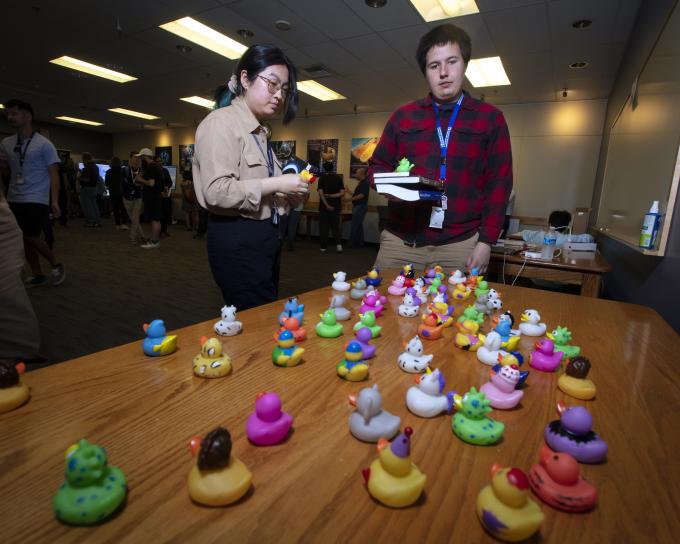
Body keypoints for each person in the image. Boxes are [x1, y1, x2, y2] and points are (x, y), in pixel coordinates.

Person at [368, 24, 512, 273]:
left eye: (452, 62)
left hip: (460, 245)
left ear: (464, 64)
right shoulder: (403, 117)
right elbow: (376, 167)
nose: (444, 72)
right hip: (400, 242)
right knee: (380, 306)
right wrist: (390, 186)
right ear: (425, 72)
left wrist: (486, 242)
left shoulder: (490, 118)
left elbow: (499, 184)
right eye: (434, 66)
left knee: (456, 311)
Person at [193, 44, 308, 310]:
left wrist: (289, 196)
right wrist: (278, 183)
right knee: (255, 319)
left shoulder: (260, 133)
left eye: (285, 89)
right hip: (237, 237)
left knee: (263, 314)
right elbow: (216, 191)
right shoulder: (220, 123)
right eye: (272, 84)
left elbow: (265, 192)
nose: (279, 95)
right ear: (245, 79)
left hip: (264, 237)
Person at [0, 99, 65, 287]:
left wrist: (54, 200)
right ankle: (38, 274)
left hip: (36, 198)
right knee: (24, 240)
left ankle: (55, 263)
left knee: (28, 235)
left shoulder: (44, 144)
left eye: (14, 113)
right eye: (8, 113)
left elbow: (54, 175)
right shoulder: (6, 143)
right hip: (13, 197)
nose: (9, 117)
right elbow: (3, 169)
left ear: (27, 116)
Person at [134, 148, 164, 249]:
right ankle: (154, 239)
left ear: (145, 157)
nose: (140, 160)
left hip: (152, 197)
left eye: (141, 157)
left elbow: (151, 183)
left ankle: (154, 242)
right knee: (157, 220)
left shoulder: (151, 167)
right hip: (156, 197)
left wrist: (139, 179)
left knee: (154, 220)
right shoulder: (157, 166)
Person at [519, 210, 594, 247]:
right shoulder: (567, 239)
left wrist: (543, 231)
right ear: (566, 227)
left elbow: (524, 233)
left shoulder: (538, 235)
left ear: (550, 223)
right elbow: (589, 238)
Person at [317, 161, 345, 253]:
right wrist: (332, 196)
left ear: (324, 168)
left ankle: (323, 247)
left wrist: (327, 205)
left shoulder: (321, 178)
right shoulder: (338, 178)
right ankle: (339, 246)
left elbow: (321, 194)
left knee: (323, 227)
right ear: (333, 168)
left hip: (323, 207)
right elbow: (342, 193)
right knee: (335, 227)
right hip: (336, 206)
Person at [121, 152, 145, 244]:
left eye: (138, 158)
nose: (137, 159)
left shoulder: (142, 170)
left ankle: (133, 237)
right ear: (130, 158)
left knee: (135, 217)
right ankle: (142, 235)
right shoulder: (124, 170)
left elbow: (143, 183)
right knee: (134, 219)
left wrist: (141, 184)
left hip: (138, 197)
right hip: (127, 198)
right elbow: (124, 183)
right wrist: (136, 183)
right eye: (135, 157)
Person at [77, 152, 102, 227]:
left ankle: (91, 222)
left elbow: (86, 179)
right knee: (94, 205)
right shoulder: (95, 166)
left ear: (85, 159)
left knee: (87, 206)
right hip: (94, 188)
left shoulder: (87, 167)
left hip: (87, 188)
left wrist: (78, 178)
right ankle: (97, 220)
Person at [349, 167, 370, 247]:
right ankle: (360, 243)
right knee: (359, 226)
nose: (355, 175)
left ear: (361, 174)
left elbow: (361, 195)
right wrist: (349, 192)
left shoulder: (364, 183)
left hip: (360, 207)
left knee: (354, 225)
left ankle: (351, 243)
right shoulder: (362, 183)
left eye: (356, 173)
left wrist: (348, 199)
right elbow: (357, 195)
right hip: (359, 207)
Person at [105, 156, 128, 231]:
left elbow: (107, 183)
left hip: (113, 192)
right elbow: (126, 182)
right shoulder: (123, 171)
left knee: (115, 209)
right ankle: (124, 224)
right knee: (123, 208)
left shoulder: (108, 172)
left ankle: (117, 224)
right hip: (122, 192)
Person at [158, 156, 173, 237]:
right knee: (159, 215)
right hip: (157, 197)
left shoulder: (165, 170)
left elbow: (170, 182)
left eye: (161, 161)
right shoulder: (154, 171)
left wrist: (167, 186)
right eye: (158, 161)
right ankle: (159, 231)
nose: (160, 162)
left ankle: (164, 230)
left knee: (165, 214)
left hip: (166, 196)